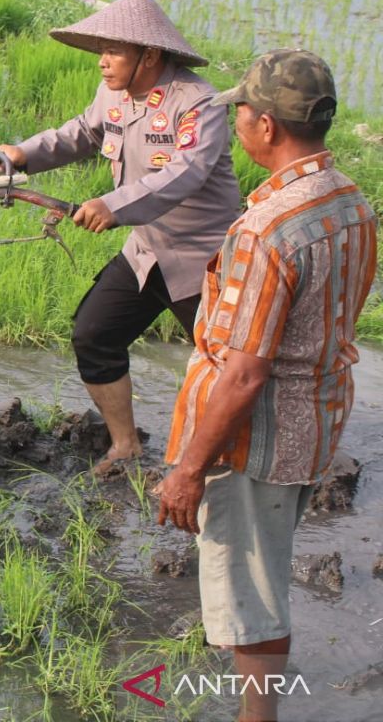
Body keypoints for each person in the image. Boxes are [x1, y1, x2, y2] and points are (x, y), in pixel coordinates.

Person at [155, 49, 377, 722]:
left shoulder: (268, 228)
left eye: (242, 111)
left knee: (252, 597)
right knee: (266, 576)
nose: (238, 121)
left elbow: (245, 371)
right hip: (314, 421)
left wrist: (190, 470)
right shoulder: (349, 200)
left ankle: (258, 718)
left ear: (267, 127)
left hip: (254, 443)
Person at [0, 0, 240, 475]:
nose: (102, 62)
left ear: (149, 54)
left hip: (202, 260)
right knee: (95, 334)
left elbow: (184, 174)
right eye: (101, 50)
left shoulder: (198, 103)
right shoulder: (113, 93)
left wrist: (112, 205)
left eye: (113, 51)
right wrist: (21, 154)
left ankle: (234, 463)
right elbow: (82, 134)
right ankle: (125, 445)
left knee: (231, 367)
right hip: (146, 249)